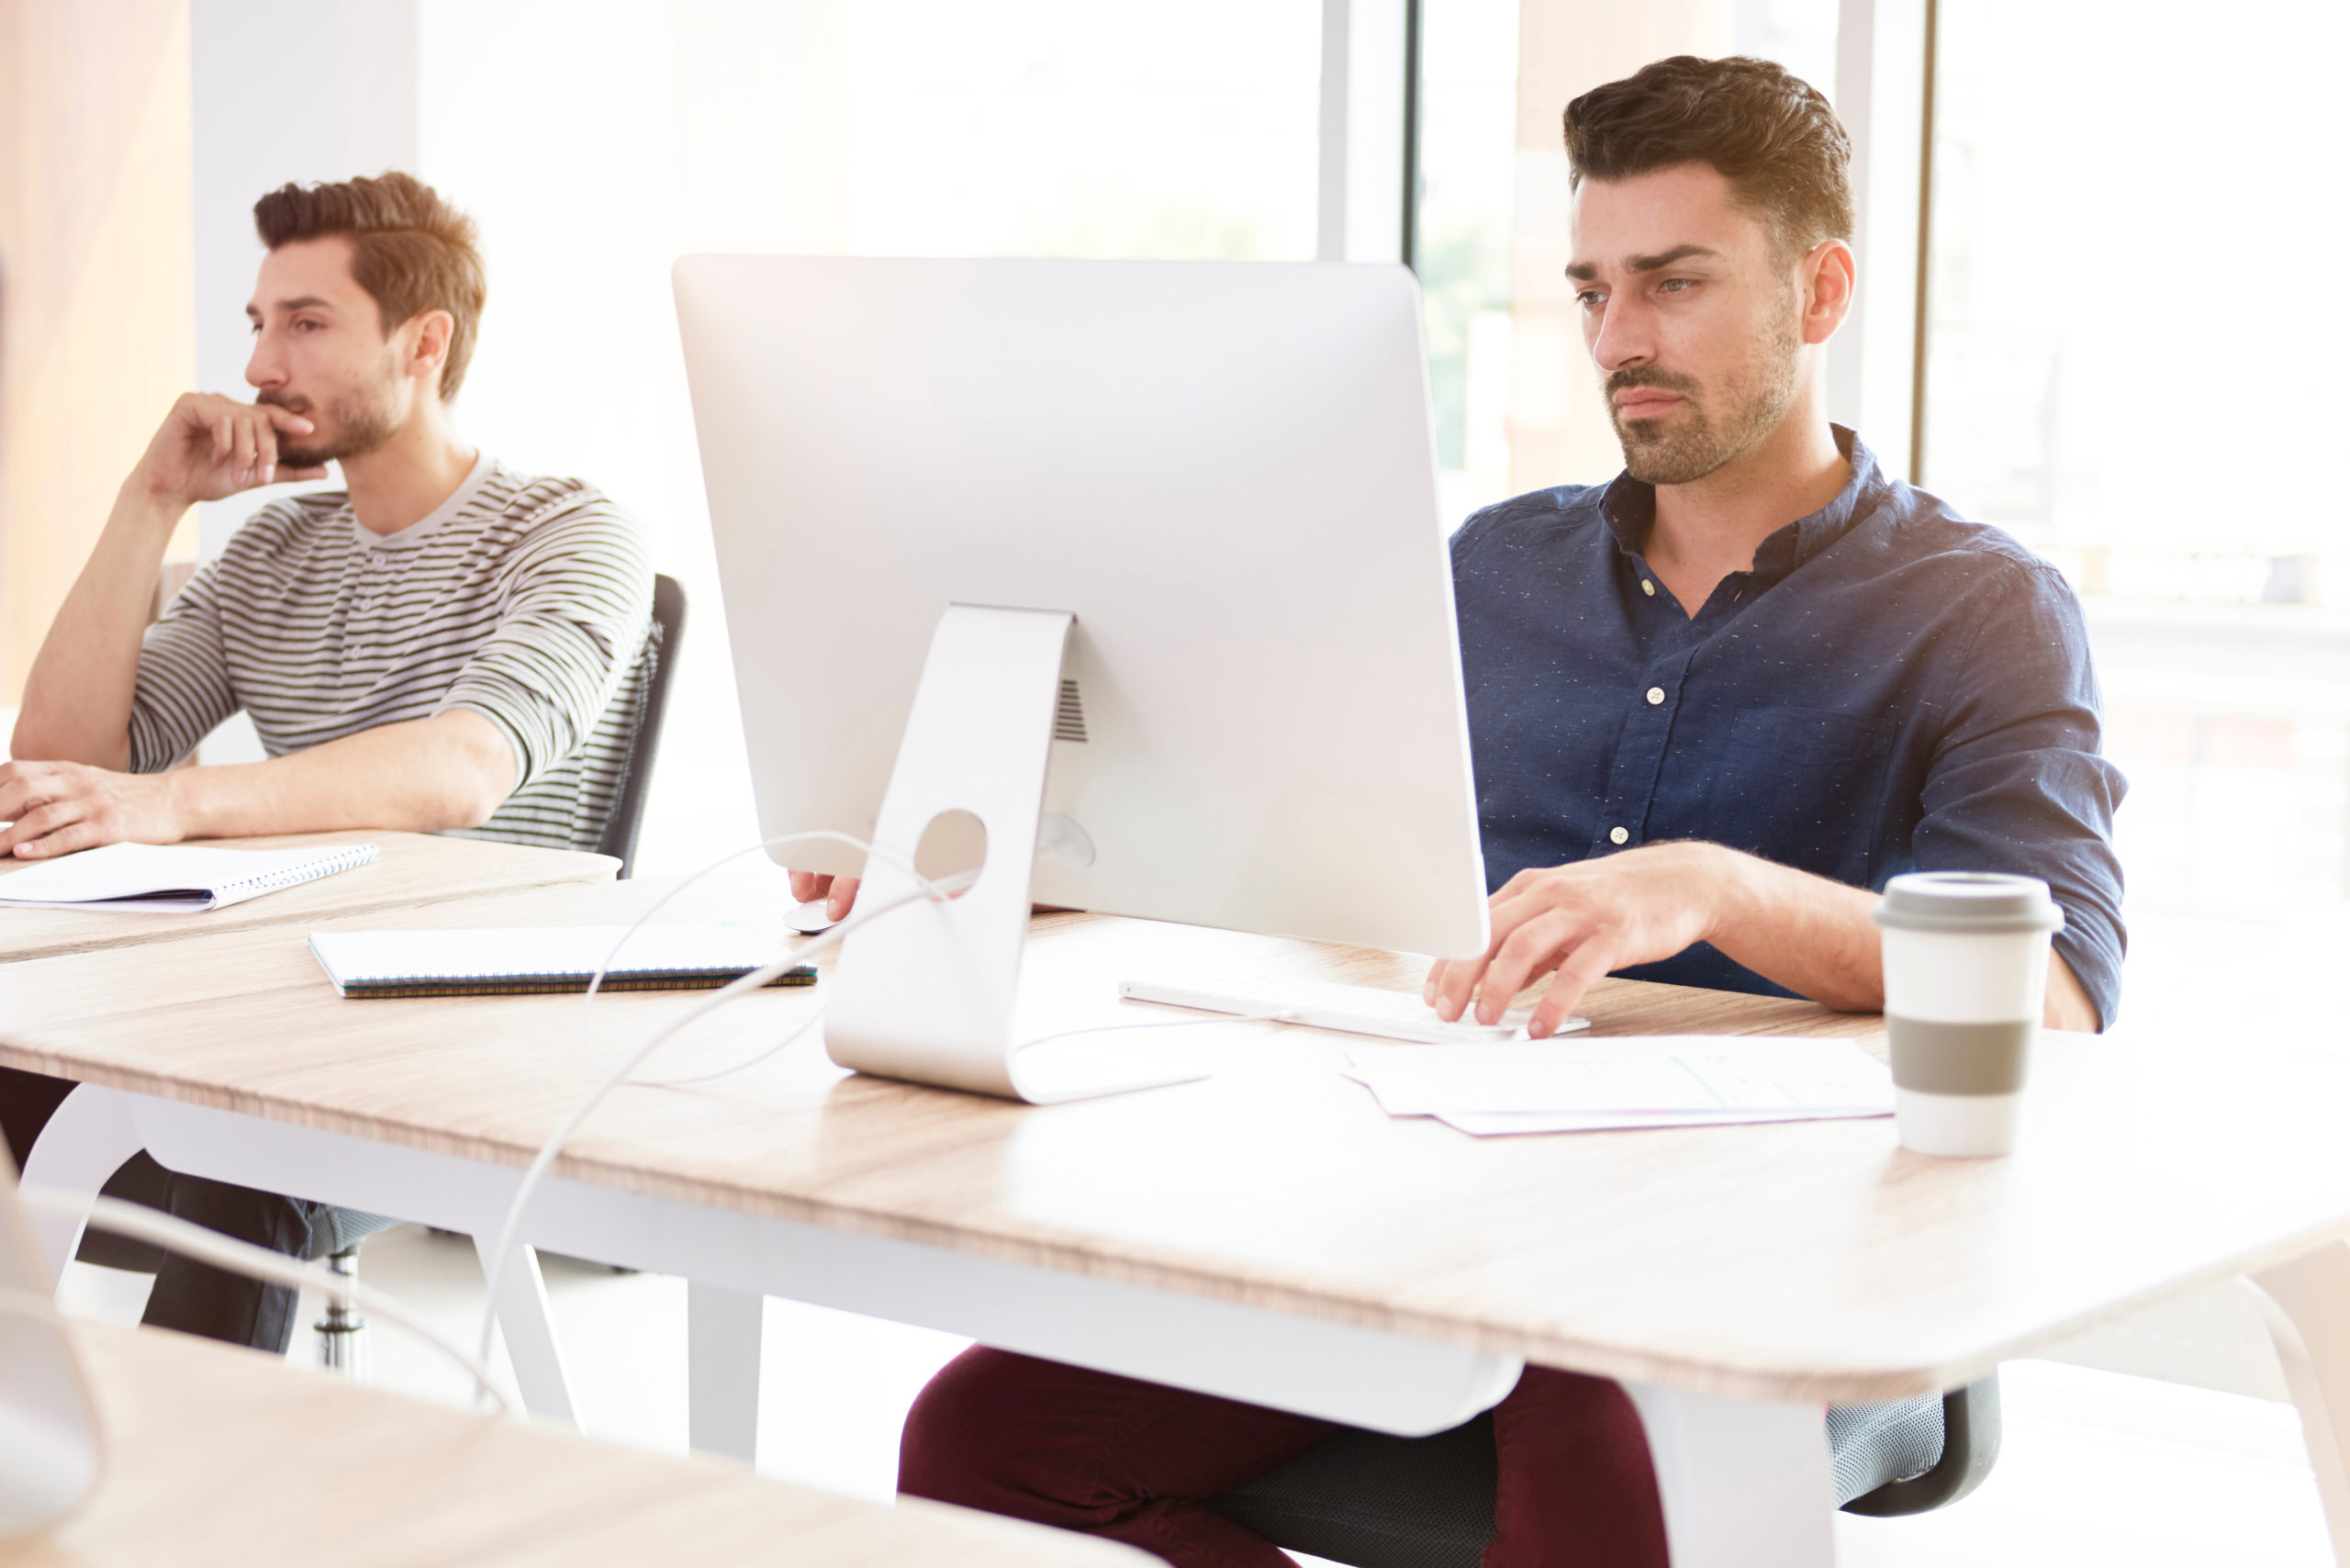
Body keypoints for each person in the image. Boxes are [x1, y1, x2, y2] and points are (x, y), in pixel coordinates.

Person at [885, 56, 2126, 1566]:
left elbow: (2053, 1003)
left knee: (1601, 1447)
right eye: (1593, 289)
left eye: (1672, 284)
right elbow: (1297, 851)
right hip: (1432, 1205)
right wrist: (1027, 864)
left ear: (1821, 292)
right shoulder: (1482, 572)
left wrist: (1718, 892)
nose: (1619, 340)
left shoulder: (1984, 609)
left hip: (1756, 1258)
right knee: (985, 1445)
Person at [0, 172, 655, 1354]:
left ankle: (187, 1526)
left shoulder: (573, 533)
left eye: (305, 323)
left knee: (249, 1172)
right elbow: (57, 768)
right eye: (258, 325)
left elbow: (464, 770)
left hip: (476, 1038)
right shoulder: (270, 555)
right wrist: (149, 504)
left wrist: (173, 805)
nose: (260, 367)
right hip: (275, 1005)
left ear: (423, 341)